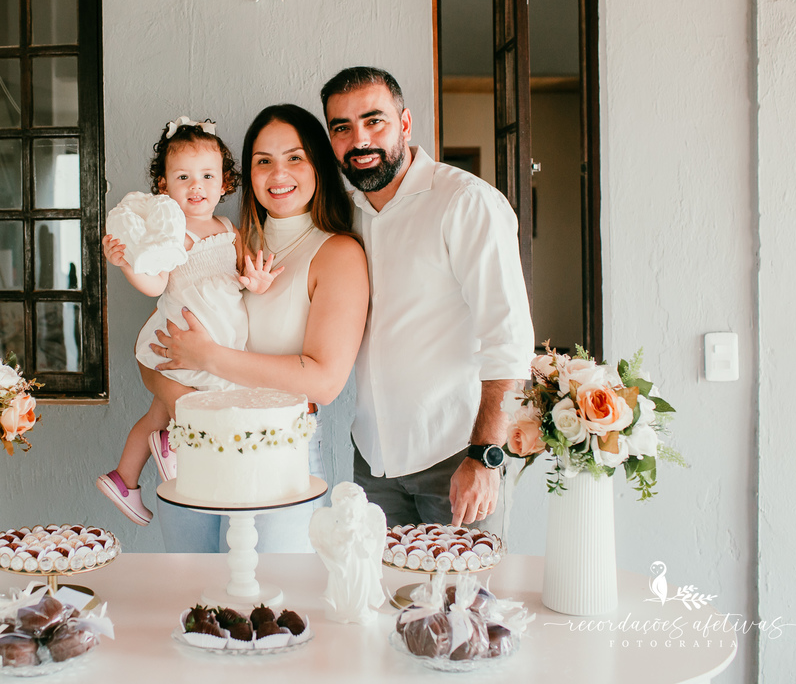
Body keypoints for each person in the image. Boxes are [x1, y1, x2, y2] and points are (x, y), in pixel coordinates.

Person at [147, 103, 369, 552]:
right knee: (192, 594)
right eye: (263, 161)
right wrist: (192, 408)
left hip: (279, 450)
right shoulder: (225, 243)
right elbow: (159, 352)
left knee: (274, 598)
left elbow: (323, 382)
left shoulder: (338, 253)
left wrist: (208, 357)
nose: (277, 172)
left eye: (294, 157)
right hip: (193, 442)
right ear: (246, 174)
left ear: (318, 165)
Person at [319, 66, 534, 530]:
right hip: (373, 464)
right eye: (342, 127)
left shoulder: (465, 203)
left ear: (405, 123)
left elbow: (510, 339)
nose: (360, 140)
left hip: (457, 458)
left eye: (374, 121)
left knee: (463, 603)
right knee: (380, 598)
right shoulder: (346, 215)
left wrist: (485, 456)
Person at [96, 118, 282, 526]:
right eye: (183, 177)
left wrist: (257, 281)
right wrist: (127, 263)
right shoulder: (172, 234)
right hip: (184, 338)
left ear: (224, 183)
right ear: (164, 186)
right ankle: (171, 445)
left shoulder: (229, 230)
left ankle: (124, 478)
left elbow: (244, 274)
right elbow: (154, 282)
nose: (196, 186)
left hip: (219, 339)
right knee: (204, 407)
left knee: (157, 412)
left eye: (206, 176)